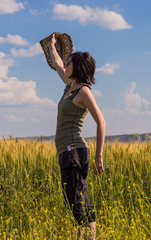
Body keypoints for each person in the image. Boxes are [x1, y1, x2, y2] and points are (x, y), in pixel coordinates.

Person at [48, 33, 106, 240]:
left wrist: (99, 156)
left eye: (69, 62)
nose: (65, 63)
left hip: (75, 151)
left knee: (76, 200)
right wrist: (51, 45)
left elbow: (101, 121)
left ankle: (83, 238)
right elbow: (56, 64)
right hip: (67, 152)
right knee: (77, 198)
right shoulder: (69, 87)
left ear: (78, 67)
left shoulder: (83, 91)